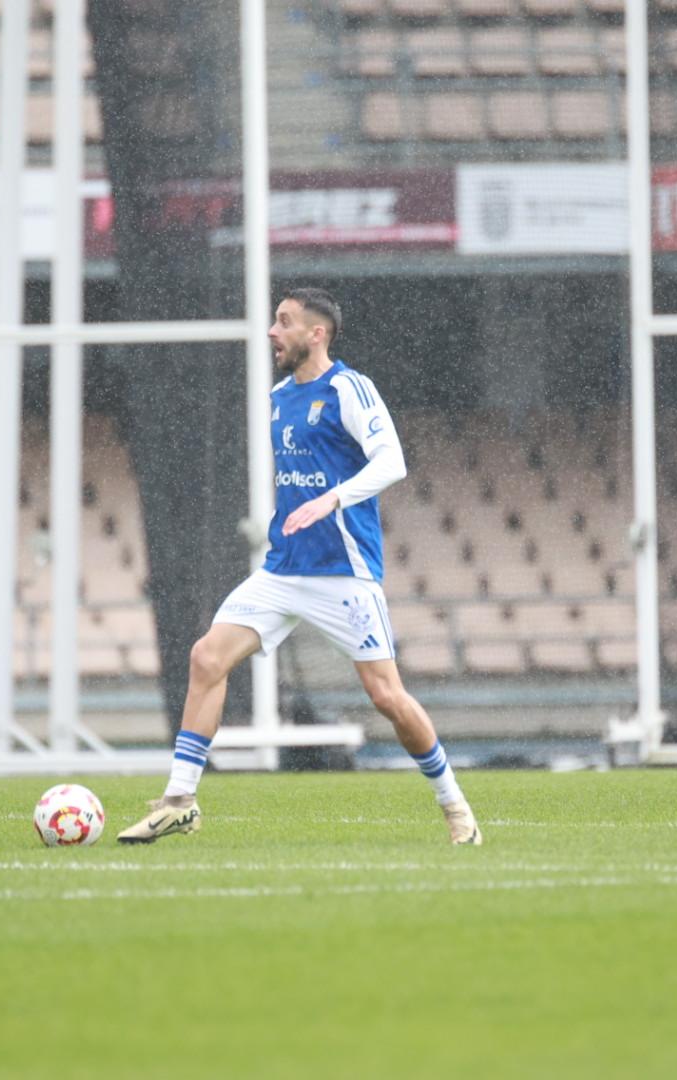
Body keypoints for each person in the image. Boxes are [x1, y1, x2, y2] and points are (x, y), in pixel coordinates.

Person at [117, 287, 482, 845]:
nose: (272, 331)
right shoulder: (280, 397)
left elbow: (393, 461)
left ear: (317, 333)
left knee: (387, 697)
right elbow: (299, 477)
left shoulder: (349, 389)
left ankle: (454, 805)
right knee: (206, 657)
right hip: (282, 570)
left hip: (344, 573)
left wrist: (333, 499)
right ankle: (179, 800)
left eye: (283, 322)